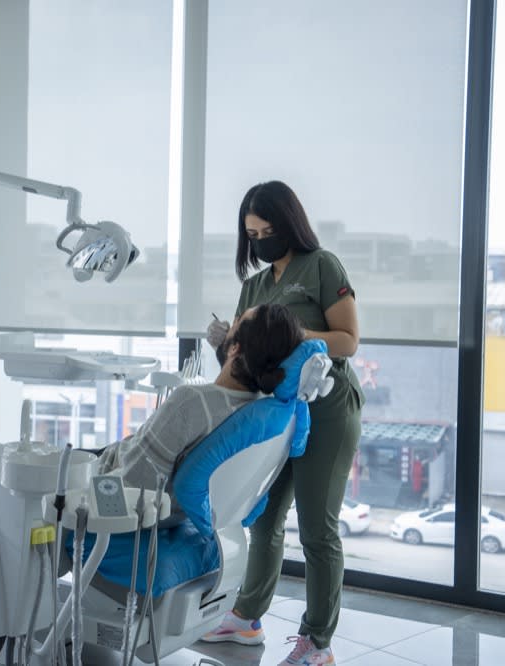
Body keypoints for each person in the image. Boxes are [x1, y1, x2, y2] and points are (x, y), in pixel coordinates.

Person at [202, 181, 364, 666]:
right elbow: (242, 361)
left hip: (327, 410)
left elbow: (349, 340)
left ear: (288, 224)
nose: (260, 241)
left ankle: (318, 643)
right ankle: (247, 619)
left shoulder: (321, 266)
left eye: (268, 230)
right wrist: (226, 340)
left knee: (317, 529)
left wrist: (289, 332)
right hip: (274, 415)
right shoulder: (252, 286)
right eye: (251, 234)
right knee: (265, 519)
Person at [94, 303, 305, 512]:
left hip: (109, 480)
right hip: (173, 510)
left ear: (234, 348)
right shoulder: (257, 408)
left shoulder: (189, 402)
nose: (229, 325)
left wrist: (80, 490)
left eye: (236, 322)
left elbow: (134, 485)